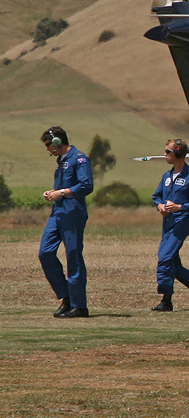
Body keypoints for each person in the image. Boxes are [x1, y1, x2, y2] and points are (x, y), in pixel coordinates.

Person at [151, 139, 189, 312]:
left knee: (164, 259)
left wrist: (180, 207)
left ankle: (166, 300)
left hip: (181, 223)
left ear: (178, 153)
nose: (165, 155)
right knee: (173, 264)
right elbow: (156, 196)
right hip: (167, 223)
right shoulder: (166, 176)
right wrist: (160, 206)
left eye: (168, 151)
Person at [39, 126, 93, 318]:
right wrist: (52, 193)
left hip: (73, 212)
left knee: (73, 256)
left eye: (48, 145)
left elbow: (86, 185)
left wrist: (60, 192)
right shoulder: (61, 162)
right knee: (45, 252)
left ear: (57, 143)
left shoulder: (79, 159)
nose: (48, 150)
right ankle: (66, 296)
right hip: (58, 211)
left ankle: (79, 306)